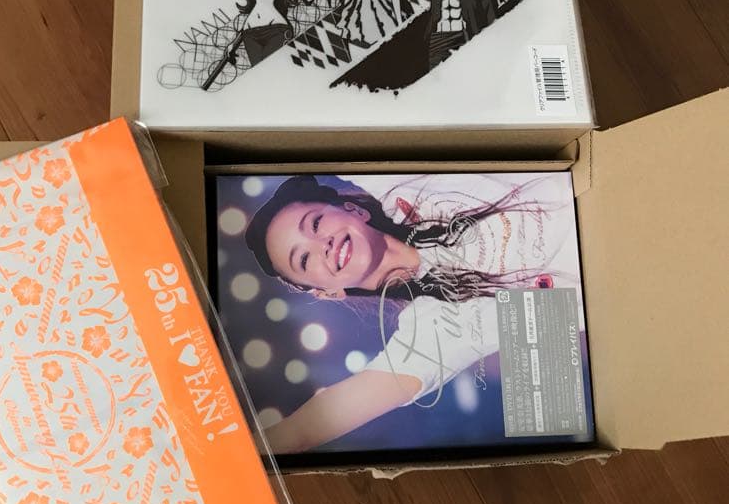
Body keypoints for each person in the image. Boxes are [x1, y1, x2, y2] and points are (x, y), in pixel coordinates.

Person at [244, 172, 582, 453]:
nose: (323, 245)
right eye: (304, 259)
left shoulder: (404, 186)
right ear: (327, 293)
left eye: (316, 223)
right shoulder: (430, 335)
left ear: (352, 209)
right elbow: (308, 427)